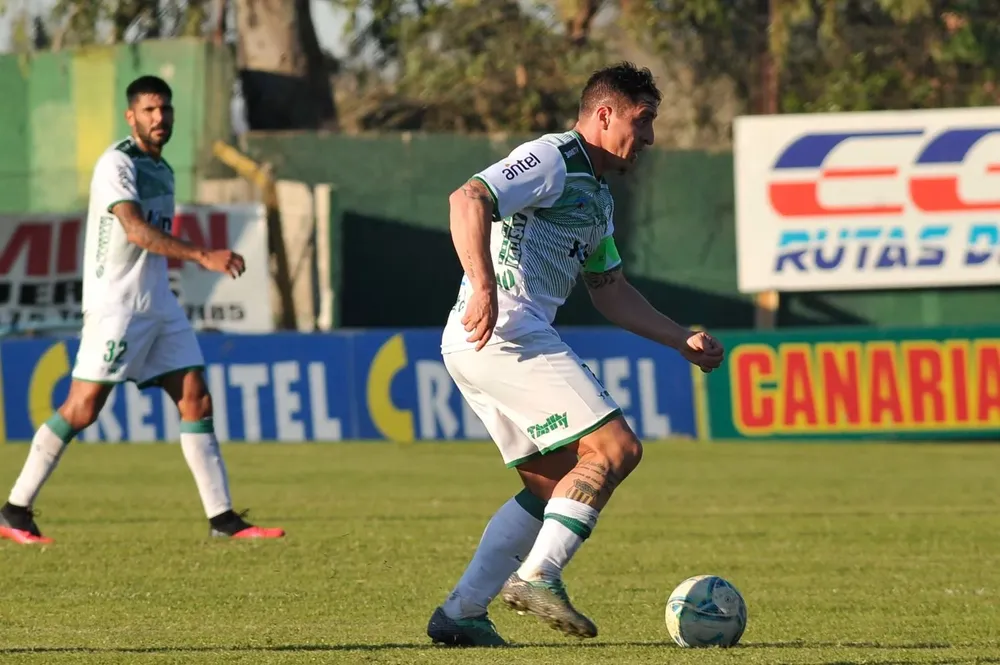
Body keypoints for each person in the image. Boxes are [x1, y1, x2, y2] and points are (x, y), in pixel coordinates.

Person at [426, 62, 725, 646]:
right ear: (604, 114)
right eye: (642, 120)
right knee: (616, 448)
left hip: (478, 343)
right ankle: (538, 575)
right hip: (507, 332)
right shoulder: (554, 158)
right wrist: (483, 286)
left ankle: (461, 613)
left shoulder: (598, 197)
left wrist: (679, 338)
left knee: (556, 484)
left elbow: (609, 289)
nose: (649, 138)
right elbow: (469, 198)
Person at [0, 75, 285, 545]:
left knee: (196, 397)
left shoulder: (163, 168)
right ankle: (14, 510)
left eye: (165, 109)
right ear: (131, 116)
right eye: (149, 110)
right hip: (117, 306)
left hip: (158, 304)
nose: (159, 118)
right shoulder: (117, 163)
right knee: (82, 408)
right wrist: (202, 255)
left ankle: (222, 520)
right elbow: (134, 230)